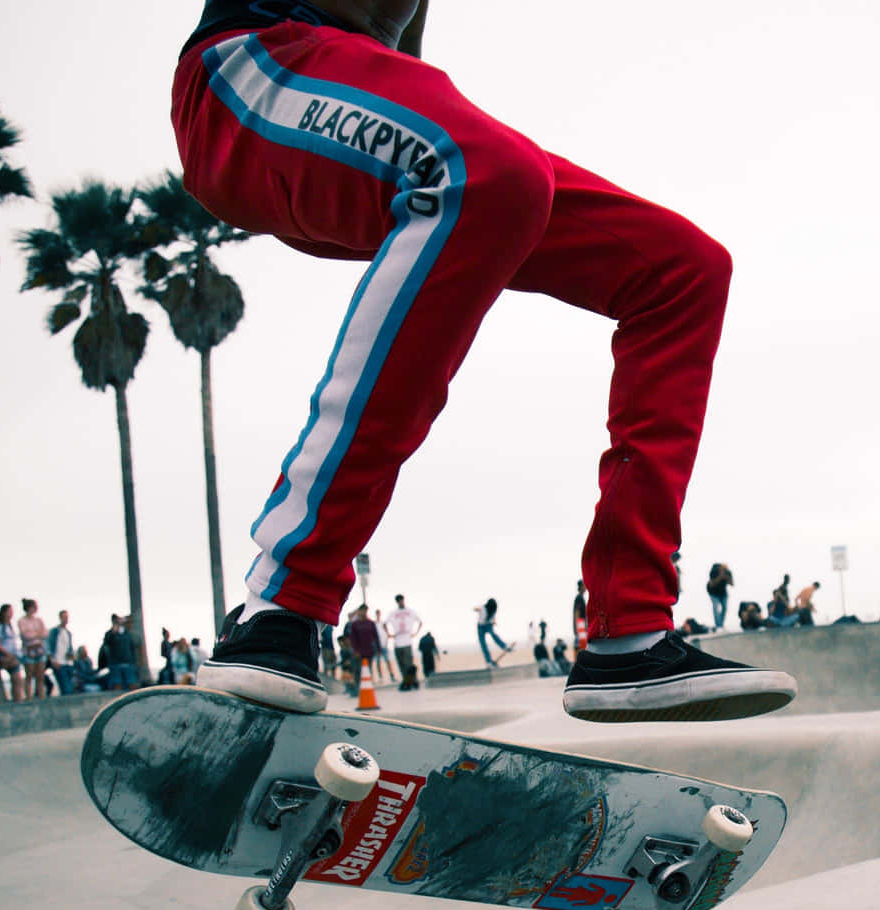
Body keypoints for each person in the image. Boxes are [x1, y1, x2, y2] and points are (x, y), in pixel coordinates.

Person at [171, 1, 791, 724]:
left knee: (683, 267)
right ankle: (283, 601)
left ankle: (630, 630)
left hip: (349, 114)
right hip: (243, 81)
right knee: (492, 170)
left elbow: (402, 63)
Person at [386, 594, 424, 690]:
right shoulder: (393, 613)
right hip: (397, 642)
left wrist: (415, 633)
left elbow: (420, 621)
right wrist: (389, 634)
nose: (401, 602)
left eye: (402, 600)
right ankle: (407, 681)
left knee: (408, 664)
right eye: (399, 601)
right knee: (401, 664)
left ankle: (413, 681)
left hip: (407, 641)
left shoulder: (410, 611)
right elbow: (384, 623)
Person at [0, 602, 26, 702]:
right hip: (5, 656)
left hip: (13, 655)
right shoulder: (0, 627)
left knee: (17, 680)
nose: (11, 614)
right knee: (16, 678)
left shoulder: (11, 626)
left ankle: (18, 700)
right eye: (9, 611)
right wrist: (7, 654)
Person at [18, 599, 49, 700]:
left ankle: (41, 695)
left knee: (40, 675)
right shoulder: (22, 621)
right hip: (29, 650)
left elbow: (45, 634)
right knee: (29, 675)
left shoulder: (39, 620)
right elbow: (25, 635)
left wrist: (33, 634)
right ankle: (28, 697)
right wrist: (37, 633)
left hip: (39, 649)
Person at [47, 609, 78, 698]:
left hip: (67, 663)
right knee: (65, 688)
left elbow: (69, 647)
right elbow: (49, 646)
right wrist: (52, 660)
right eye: (64, 617)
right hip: (58, 663)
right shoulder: (54, 631)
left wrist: (71, 656)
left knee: (70, 687)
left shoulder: (68, 633)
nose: (66, 619)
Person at [474, 597, 512, 666]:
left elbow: (493, 618)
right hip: (481, 626)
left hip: (489, 625)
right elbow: (476, 609)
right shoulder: (483, 608)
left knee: (493, 634)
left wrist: (494, 622)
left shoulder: (493, 610)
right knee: (483, 644)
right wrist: (476, 609)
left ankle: (504, 646)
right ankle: (488, 661)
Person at [707, 562, 733, 630]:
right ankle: (718, 625)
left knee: (725, 607)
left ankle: (721, 624)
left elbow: (732, 584)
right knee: (715, 607)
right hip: (713, 592)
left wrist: (727, 577)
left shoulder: (728, 572)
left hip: (723, 592)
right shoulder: (714, 571)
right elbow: (712, 584)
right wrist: (720, 576)